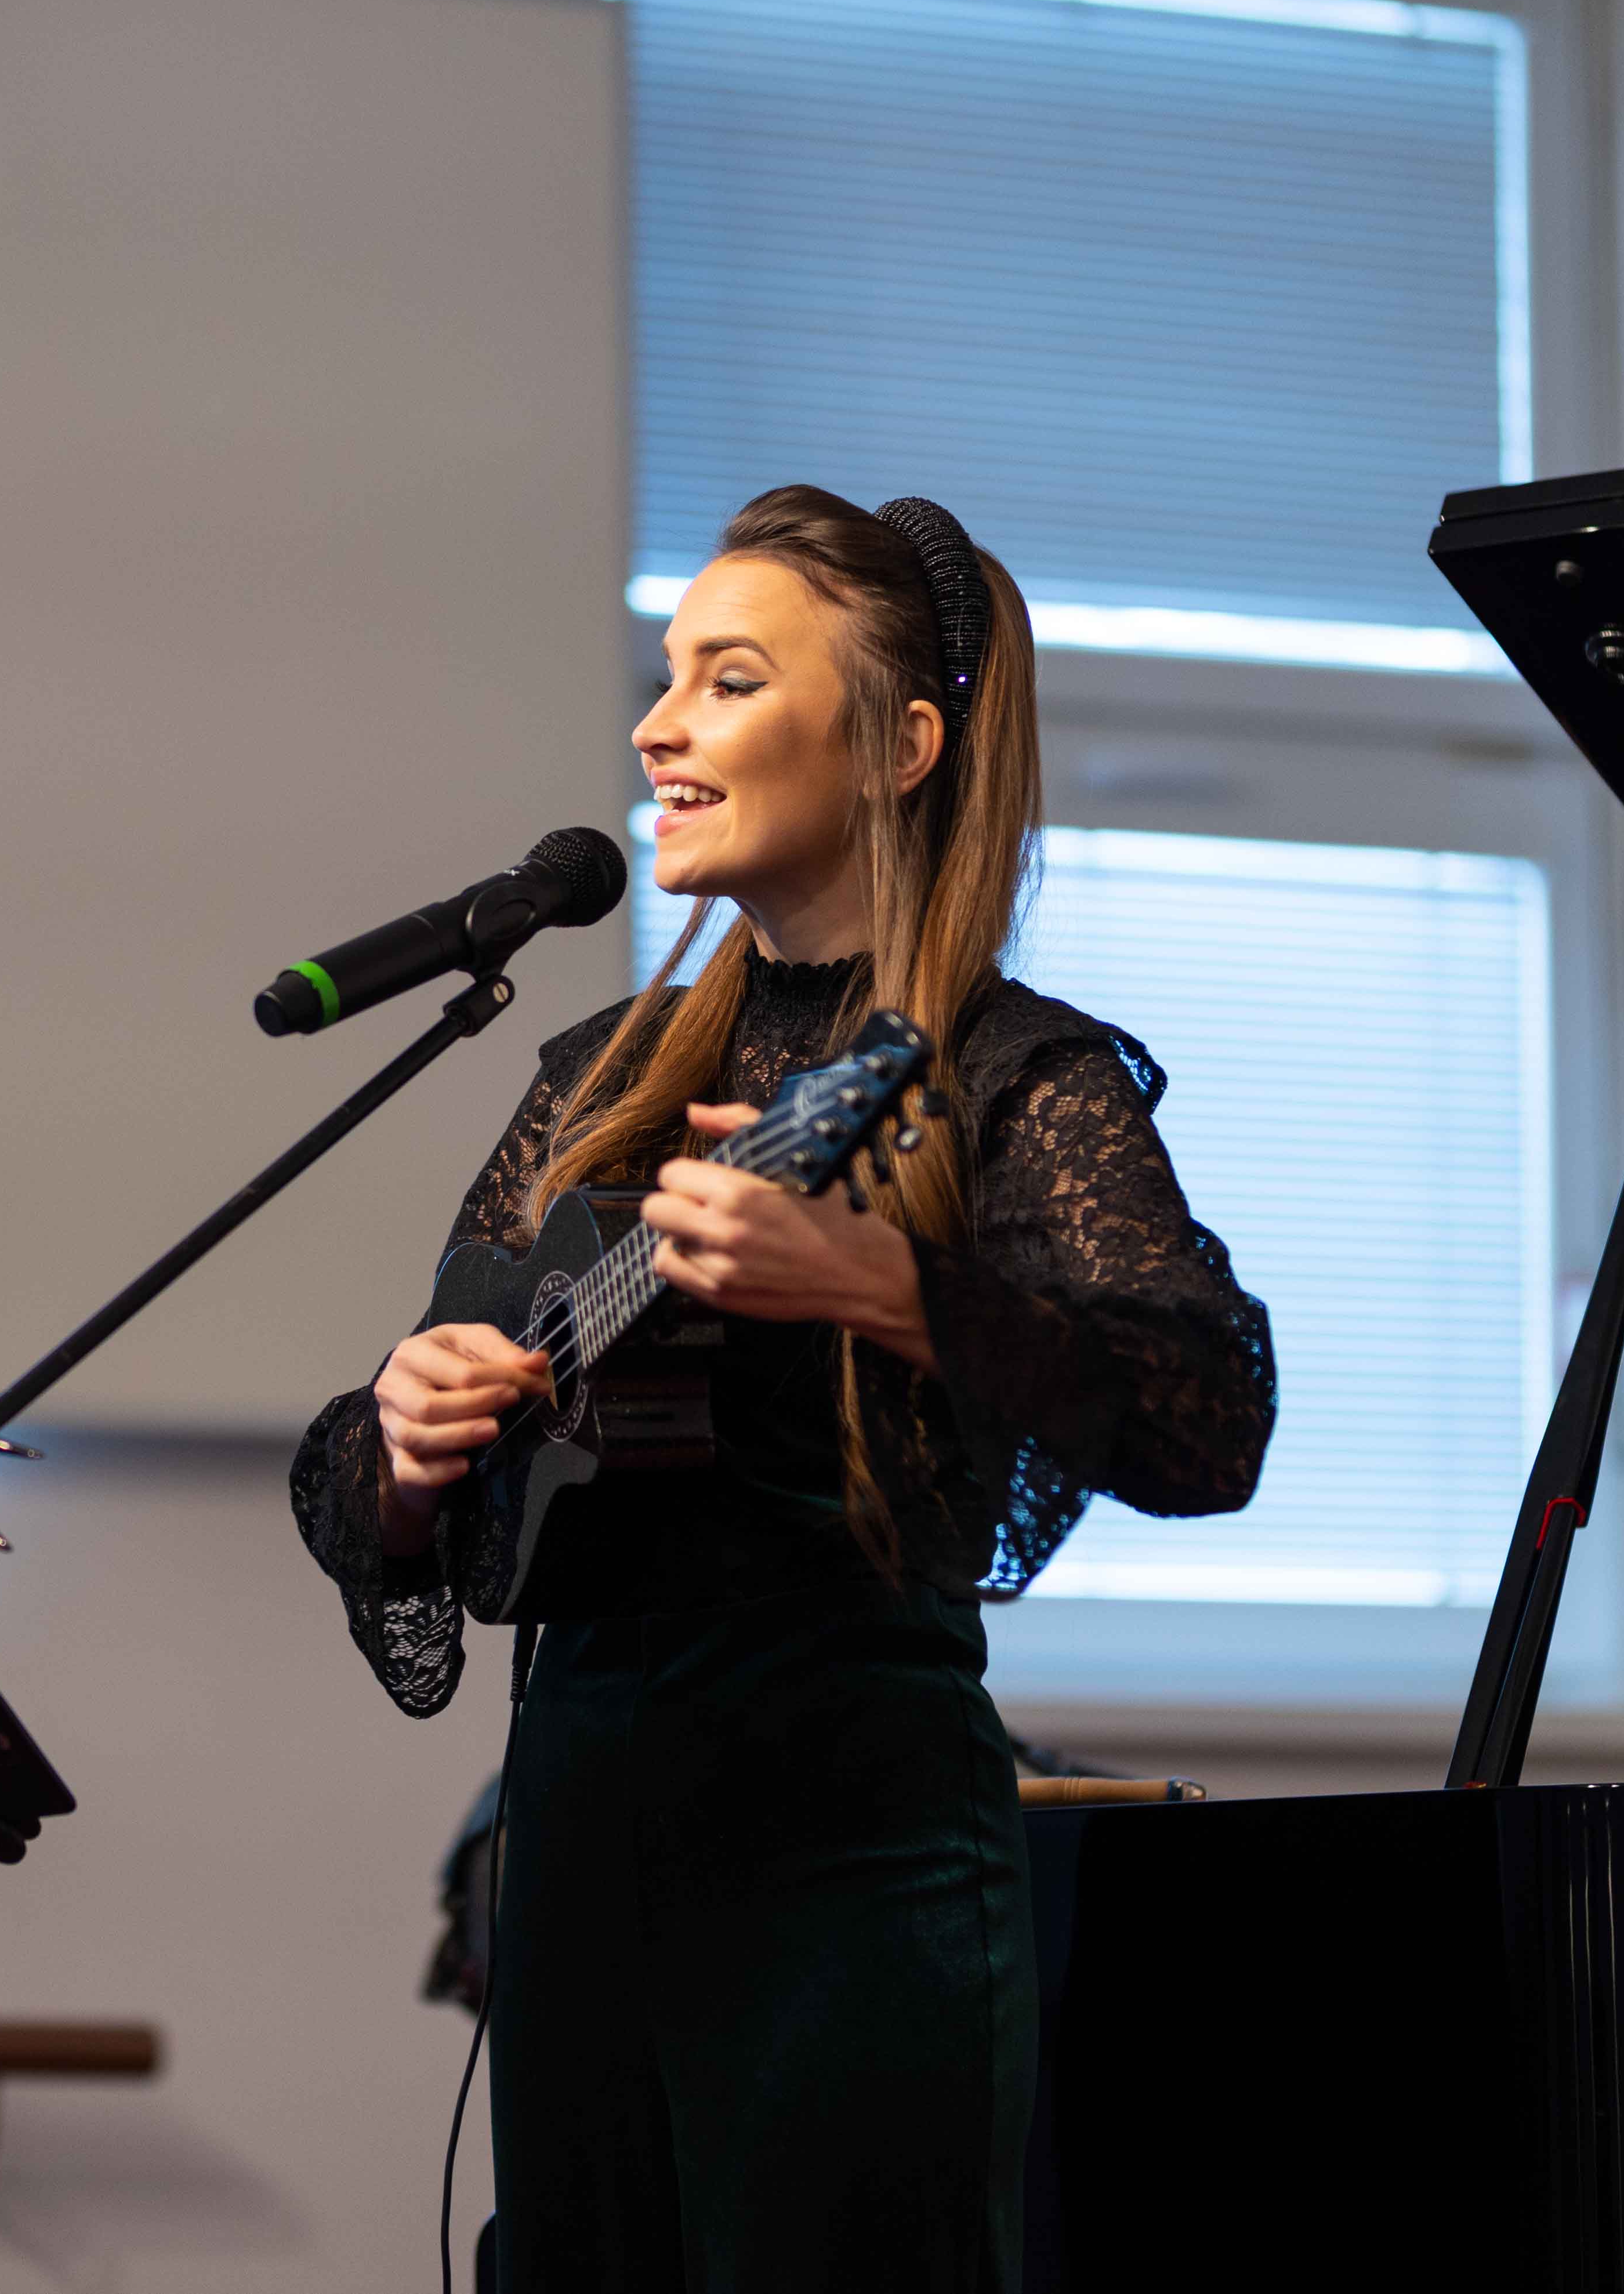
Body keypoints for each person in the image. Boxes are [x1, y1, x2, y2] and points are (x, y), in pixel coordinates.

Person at [288, 485, 1276, 2292]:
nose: (657, 727)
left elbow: (1207, 1415)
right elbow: (380, 1482)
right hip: (575, 1831)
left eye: (728, 680)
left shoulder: (1014, 1075)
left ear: (900, 744)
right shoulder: (596, 1074)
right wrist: (410, 1442)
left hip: (851, 1840)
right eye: (667, 675)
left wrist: (888, 1283)